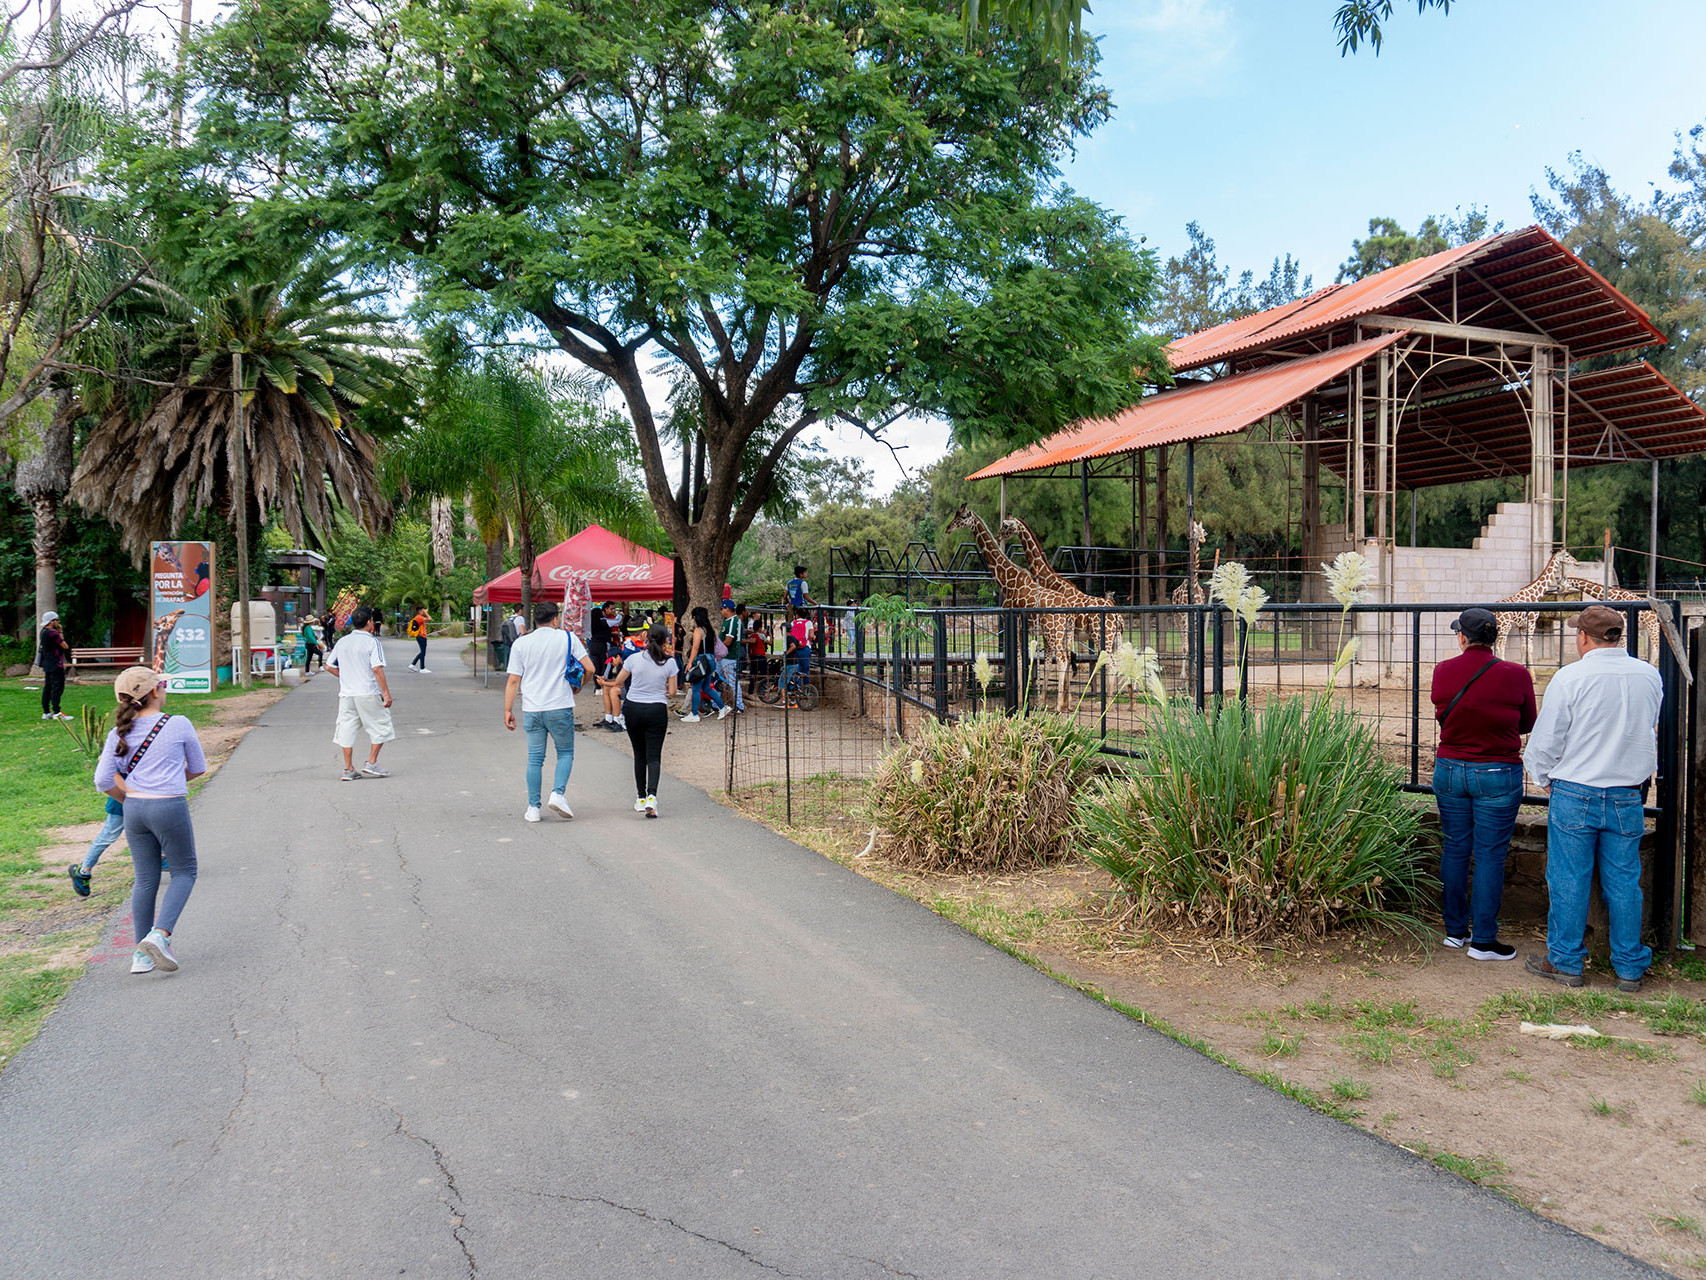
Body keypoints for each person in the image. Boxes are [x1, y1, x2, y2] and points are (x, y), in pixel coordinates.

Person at [1523, 604, 1663, 992]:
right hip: (1626, 793)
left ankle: (1567, 961)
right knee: (1624, 881)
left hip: (1575, 790)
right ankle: (1629, 966)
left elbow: (1548, 737)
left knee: (1568, 878)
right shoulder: (1649, 675)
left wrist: (1542, 775)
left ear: (1584, 637)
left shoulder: (1571, 677)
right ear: (1619, 636)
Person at [1429, 607, 1537, 961]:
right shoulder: (1516, 674)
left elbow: (1443, 711)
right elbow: (1527, 723)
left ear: (1462, 637)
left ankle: (1454, 931)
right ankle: (1484, 940)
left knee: (1455, 847)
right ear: (1494, 638)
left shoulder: (1443, 671)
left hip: (1450, 769)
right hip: (1496, 772)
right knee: (1490, 853)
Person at [93, 666, 207, 974]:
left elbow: (102, 780)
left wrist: (128, 798)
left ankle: (140, 956)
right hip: (169, 806)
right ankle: (160, 936)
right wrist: (169, 783)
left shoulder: (118, 732)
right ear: (154, 692)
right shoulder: (178, 724)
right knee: (184, 872)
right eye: (163, 685)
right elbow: (198, 767)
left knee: (145, 879)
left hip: (134, 810)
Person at [503, 601, 593, 823]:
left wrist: (508, 709)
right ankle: (558, 794)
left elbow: (514, 679)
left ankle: (533, 808)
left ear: (535, 620)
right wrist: (581, 684)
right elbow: (589, 668)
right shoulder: (568, 638)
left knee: (535, 759)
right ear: (555, 619)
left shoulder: (522, 643)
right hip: (559, 705)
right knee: (565, 752)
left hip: (532, 708)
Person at [600, 622, 678, 819]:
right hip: (657, 709)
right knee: (654, 756)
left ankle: (640, 798)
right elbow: (672, 691)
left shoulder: (634, 658)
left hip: (634, 707)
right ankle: (652, 796)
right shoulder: (670, 662)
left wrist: (605, 682)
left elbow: (619, 682)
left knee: (639, 753)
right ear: (666, 640)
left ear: (646, 637)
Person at [327, 605, 395, 781]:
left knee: (346, 728)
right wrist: (386, 693)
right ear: (369, 623)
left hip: (346, 694)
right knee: (381, 725)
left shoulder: (342, 642)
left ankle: (348, 769)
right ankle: (371, 762)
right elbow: (377, 669)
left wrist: (345, 677)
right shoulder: (372, 642)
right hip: (367, 692)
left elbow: (329, 666)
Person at [67, 794, 125, 897]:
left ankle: (158, 858)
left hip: (145, 800)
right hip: (121, 803)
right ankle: (83, 871)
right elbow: (105, 781)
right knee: (107, 837)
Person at [681, 606, 726, 723]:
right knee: (706, 687)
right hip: (711, 661)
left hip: (701, 661)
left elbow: (695, 648)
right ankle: (722, 707)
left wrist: (690, 662)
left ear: (695, 617)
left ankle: (694, 714)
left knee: (695, 688)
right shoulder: (709, 630)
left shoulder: (698, 630)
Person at [36, 611, 72, 721]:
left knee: (48, 687)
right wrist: (60, 631)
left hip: (47, 663)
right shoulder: (53, 633)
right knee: (57, 688)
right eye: (57, 620)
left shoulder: (43, 632)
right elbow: (65, 646)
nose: (58, 622)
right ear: (52, 621)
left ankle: (46, 711)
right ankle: (57, 712)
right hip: (56, 663)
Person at [718, 599, 746, 714]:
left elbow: (728, 641)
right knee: (716, 679)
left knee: (733, 681)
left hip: (729, 656)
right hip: (722, 656)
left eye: (722, 609)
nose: (721, 611)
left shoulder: (733, 621)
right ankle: (716, 704)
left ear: (727, 609)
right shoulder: (727, 621)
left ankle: (739, 705)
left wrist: (717, 647)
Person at [746, 615, 769, 695]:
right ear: (759, 628)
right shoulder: (761, 635)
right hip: (761, 656)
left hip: (753, 656)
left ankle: (750, 690)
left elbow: (749, 648)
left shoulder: (751, 636)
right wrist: (770, 635)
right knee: (763, 674)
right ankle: (762, 690)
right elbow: (770, 643)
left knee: (753, 674)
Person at [407, 607, 432, 673]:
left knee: (422, 652)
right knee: (423, 652)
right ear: (420, 611)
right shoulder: (419, 617)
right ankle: (422, 668)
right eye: (423, 611)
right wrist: (426, 613)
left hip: (421, 636)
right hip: (421, 636)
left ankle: (413, 664)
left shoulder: (419, 617)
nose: (424, 612)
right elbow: (429, 618)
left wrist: (425, 612)